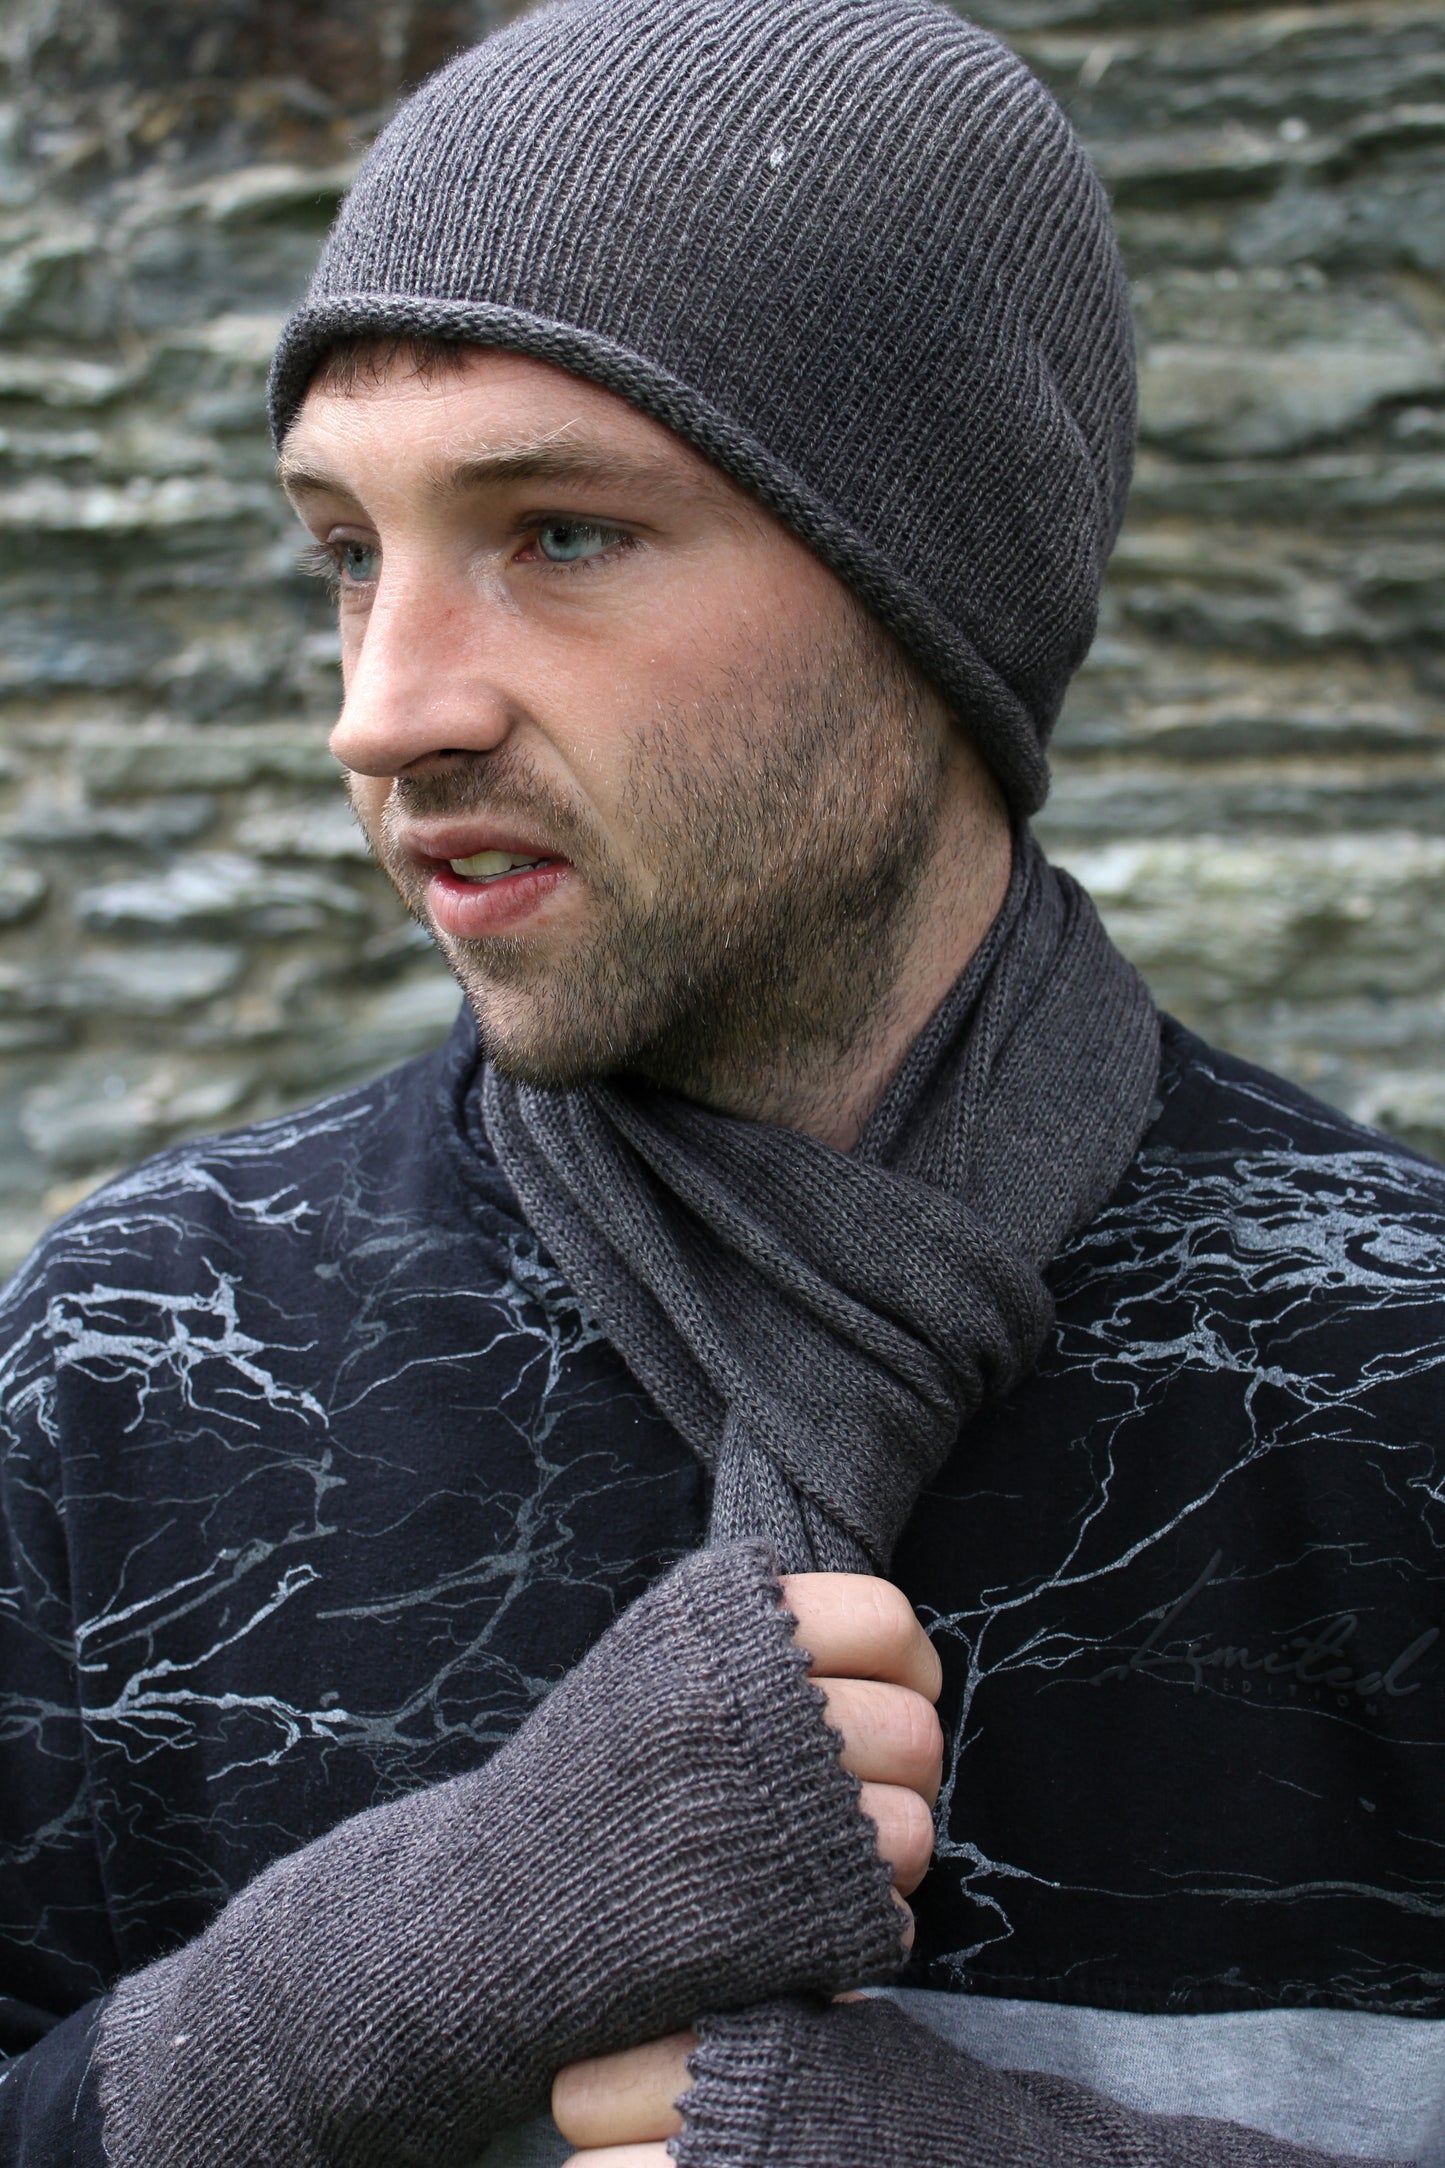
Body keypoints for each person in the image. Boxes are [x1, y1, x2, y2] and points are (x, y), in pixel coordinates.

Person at [1, 0, 1442, 2162]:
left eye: (561, 532)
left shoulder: (1395, 1378)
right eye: (346, 552)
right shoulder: (133, 1368)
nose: (381, 710)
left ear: (929, 593)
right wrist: (367, 1989)